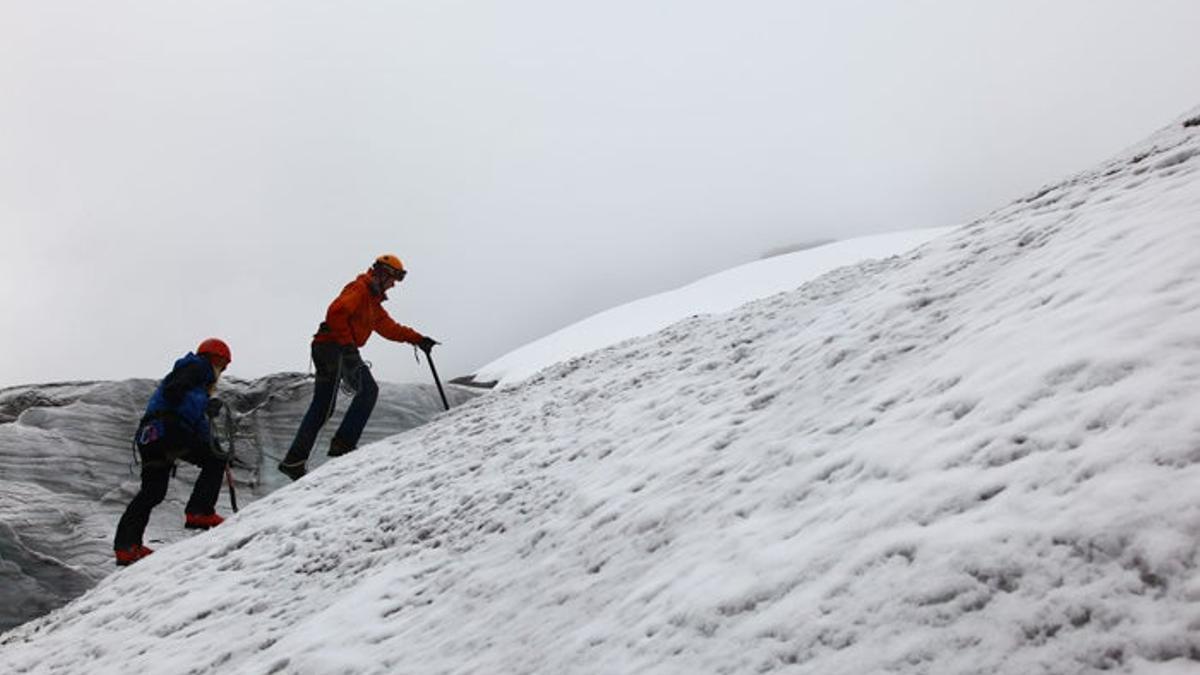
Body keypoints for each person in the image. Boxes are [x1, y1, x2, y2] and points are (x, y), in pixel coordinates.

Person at [277, 254, 437, 480]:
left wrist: (418, 339)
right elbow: (336, 312)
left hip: (331, 347)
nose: (393, 285)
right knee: (367, 390)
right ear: (383, 274)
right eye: (393, 280)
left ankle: (294, 460)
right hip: (334, 347)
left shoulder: (373, 303)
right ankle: (343, 444)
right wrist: (348, 347)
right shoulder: (360, 289)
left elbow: (391, 328)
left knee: (323, 406)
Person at [113, 338, 232, 566]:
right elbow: (176, 390)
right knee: (215, 459)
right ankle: (200, 511)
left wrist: (205, 416)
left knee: (152, 492)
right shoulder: (198, 366)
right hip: (171, 428)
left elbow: (197, 424)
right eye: (223, 365)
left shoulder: (197, 386)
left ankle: (127, 547)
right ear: (216, 360)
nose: (222, 371)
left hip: (151, 435)